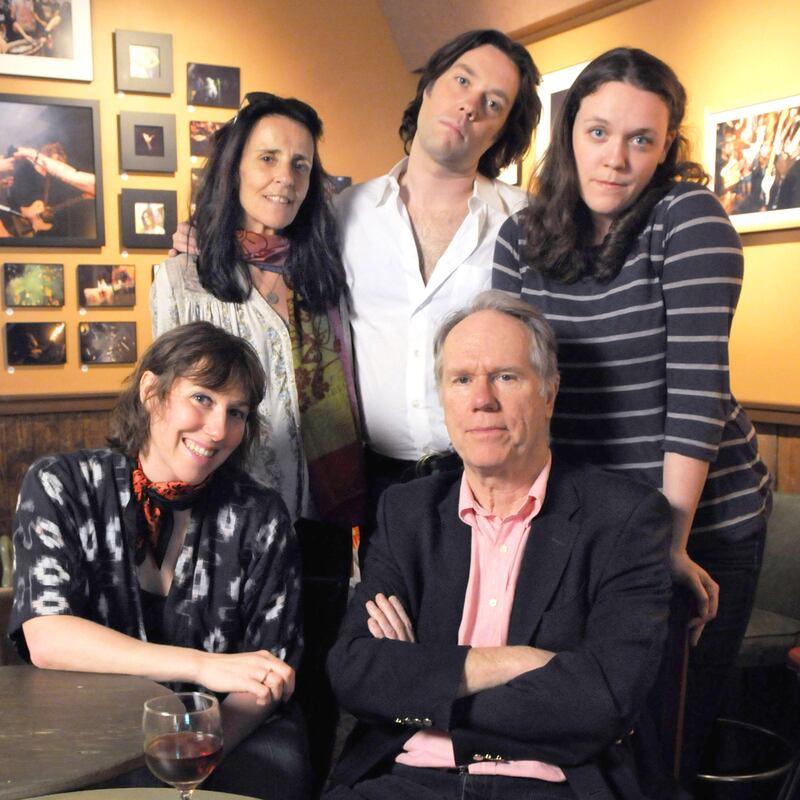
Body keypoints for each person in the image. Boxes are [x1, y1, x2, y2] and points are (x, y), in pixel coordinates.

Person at [492, 47, 772, 788]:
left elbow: (697, 387)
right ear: (570, 131)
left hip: (696, 519)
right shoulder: (520, 238)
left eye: (642, 140)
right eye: (599, 132)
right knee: (575, 728)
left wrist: (669, 546)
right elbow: (507, 380)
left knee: (660, 744)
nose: (617, 158)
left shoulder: (687, 219)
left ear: (666, 147)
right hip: (585, 519)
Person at [325, 291, 673, 800]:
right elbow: (355, 672)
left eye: (506, 377)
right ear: (444, 398)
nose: (481, 398)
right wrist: (514, 663)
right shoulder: (408, 513)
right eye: (462, 379)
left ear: (549, 393)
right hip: (410, 780)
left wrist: (426, 683)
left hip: (551, 784)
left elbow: (602, 699)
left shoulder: (624, 518)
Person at [153, 91, 363, 789]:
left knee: (315, 685)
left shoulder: (327, 273)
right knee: (233, 690)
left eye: (301, 165)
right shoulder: (185, 274)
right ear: (234, 168)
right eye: (268, 157)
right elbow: (167, 410)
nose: (285, 177)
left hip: (323, 516)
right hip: (227, 519)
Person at [8, 322, 310, 800]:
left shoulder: (261, 515)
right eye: (203, 399)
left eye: (237, 413)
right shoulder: (60, 483)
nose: (218, 430)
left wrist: (198, 747)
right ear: (152, 391)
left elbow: (269, 670)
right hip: (91, 731)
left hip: (232, 732)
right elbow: (46, 636)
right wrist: (204, 666)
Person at [336, 29, 541, 553]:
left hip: (496, 477)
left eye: (491, 103)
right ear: (428, 88)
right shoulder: (343, 214)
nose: (469, 106)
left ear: (500, 132)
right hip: (373, 481)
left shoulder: (530, 222)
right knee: (383, 628)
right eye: (461, 81)